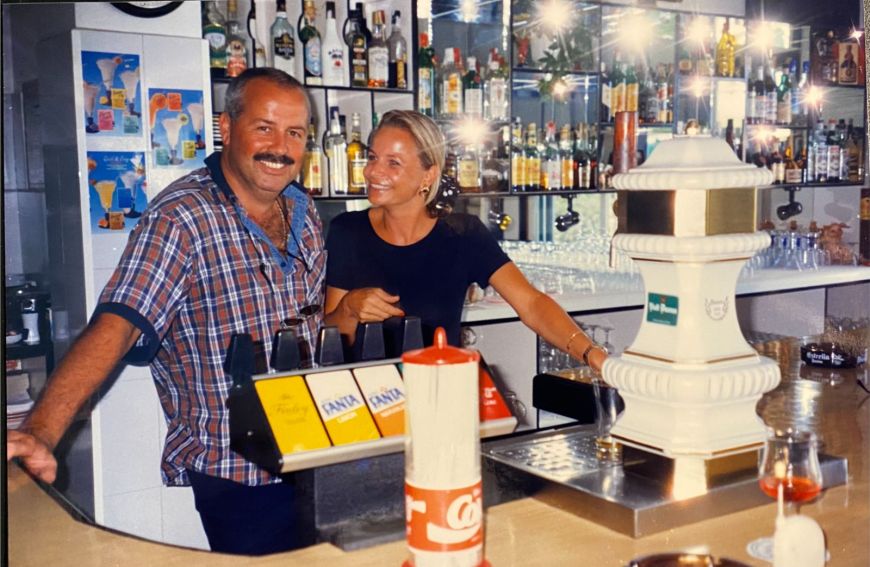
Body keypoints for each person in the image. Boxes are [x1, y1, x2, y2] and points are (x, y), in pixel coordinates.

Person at [7, 68, 326, 555]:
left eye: (295, 132)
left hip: (313, 454)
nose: (280, 146)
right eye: (264, 127)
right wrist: (40, 433)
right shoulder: (181, 218)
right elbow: (116, 325)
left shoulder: (304, 215)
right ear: (227, 127)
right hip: (235, 469)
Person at [324, 110, 608, 372]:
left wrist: (592, 355)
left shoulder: (462, 235)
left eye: (393, 163)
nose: (373, 172)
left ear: (429, 174)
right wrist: (349, 308)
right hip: (364, 401)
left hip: (441, 392)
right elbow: (330, 337)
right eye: (372, 158)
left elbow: (532, 304)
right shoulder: (348, 231)